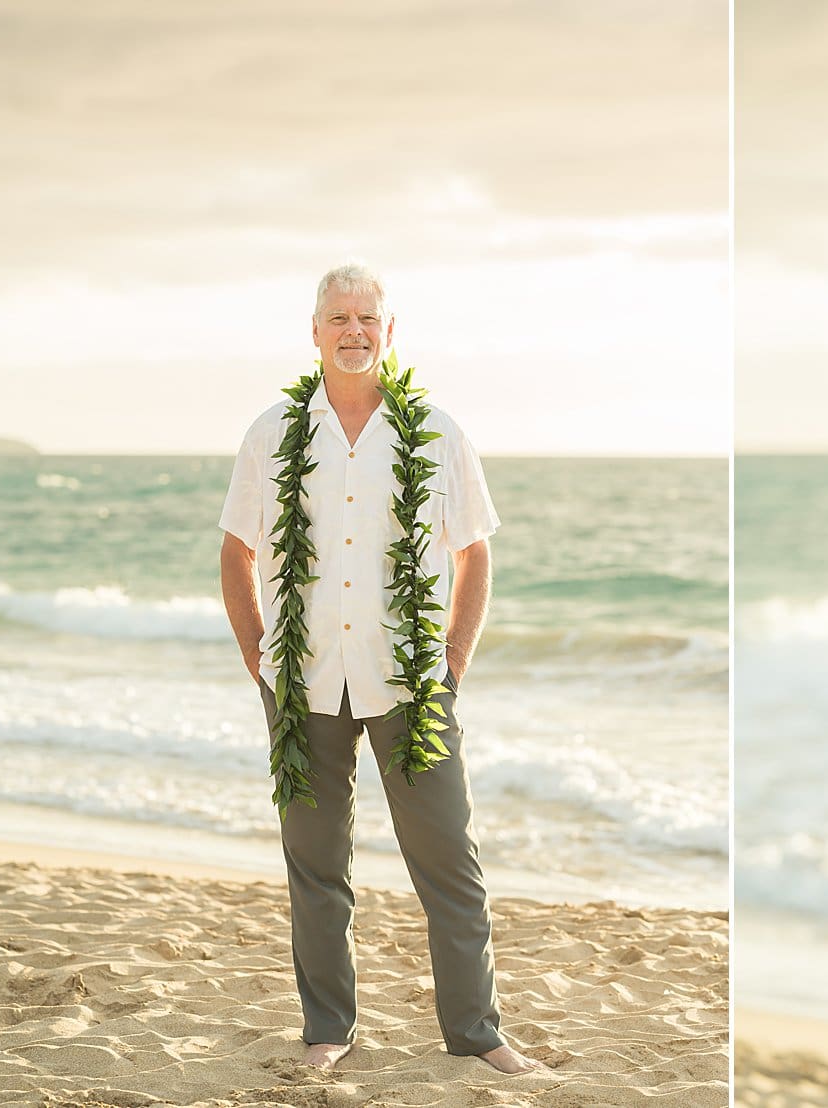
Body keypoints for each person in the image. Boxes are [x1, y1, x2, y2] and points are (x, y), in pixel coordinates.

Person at [218, 262, 540, 1075]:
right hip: (306, 681)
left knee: (449, 865)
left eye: (368, 318)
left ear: (389, 333)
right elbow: (236, 548)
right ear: (315, 332)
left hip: (411, 685)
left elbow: (475, 554)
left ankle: (477, 1032)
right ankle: (329, 1029)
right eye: (339, 318)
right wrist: (261, 657)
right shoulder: (271, 435)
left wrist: (454, 658)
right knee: (317, 866)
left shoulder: (435, 431)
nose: (353, 330)